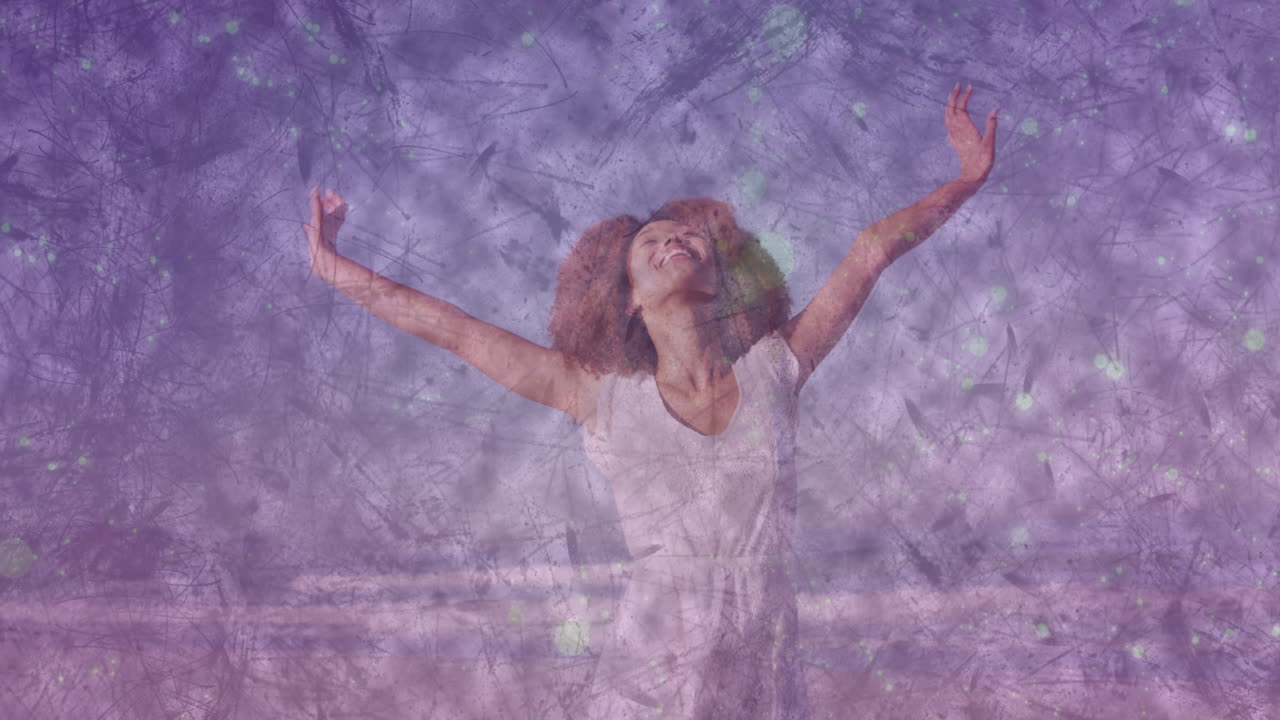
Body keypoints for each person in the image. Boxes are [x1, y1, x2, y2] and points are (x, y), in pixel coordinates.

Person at [303, 83, 998, 719]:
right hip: (652, 675)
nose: (671, 238)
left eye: (687, 235)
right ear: (629, 298)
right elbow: (457, 331)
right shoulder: (600, 398)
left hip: (764, 666)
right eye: (650, 242)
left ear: (721, 277)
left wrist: (964, 182)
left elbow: (871, 250)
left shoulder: (773, 369)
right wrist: (335, 268)